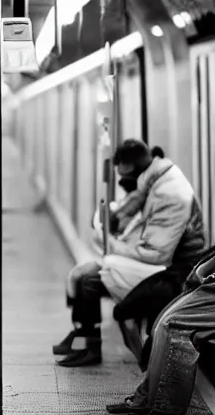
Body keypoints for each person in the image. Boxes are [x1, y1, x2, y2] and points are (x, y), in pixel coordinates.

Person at [53, 140, 207, 367]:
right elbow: (132, 209)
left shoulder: (170, 193)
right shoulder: (155, 180)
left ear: (134, 168)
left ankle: (90, 347)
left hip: (176, 271)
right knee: (81, 273)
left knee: (91, 280)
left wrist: (111, 244)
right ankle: (82, 335)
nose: (124, 183)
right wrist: (114, 219)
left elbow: (156, 253)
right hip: (161, 262)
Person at [106, 246, 215, 415]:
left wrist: (118, 244)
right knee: (160, 325)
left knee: (171, 325)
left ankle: (165, 407)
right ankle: (147, 397)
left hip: (188, 276)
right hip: (194, 277)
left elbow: (159, 251)